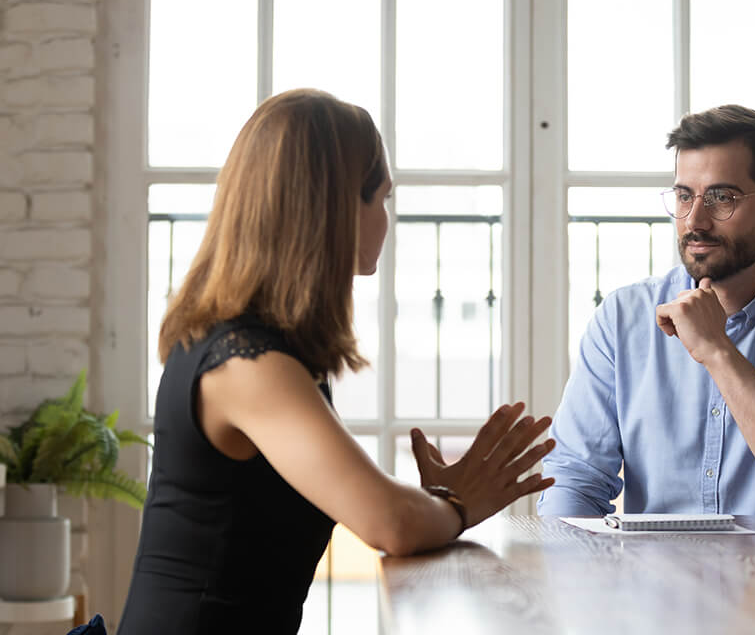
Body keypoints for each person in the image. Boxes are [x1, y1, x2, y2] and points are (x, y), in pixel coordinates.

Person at [117, 88, 555, 634]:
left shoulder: (252, 347)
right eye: (381, 199)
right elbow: (388, 522)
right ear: (334, 206)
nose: (387, 220)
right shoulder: (246, 363)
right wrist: (458, 504)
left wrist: (439, 502)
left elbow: (380, 505)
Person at [537, 105, 755, 517]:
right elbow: (574, 483)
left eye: (722, 198)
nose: (695, 221)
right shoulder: (623, 318)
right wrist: (572, 576)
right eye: (685, 196)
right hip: (652, 578)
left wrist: (718, 351)